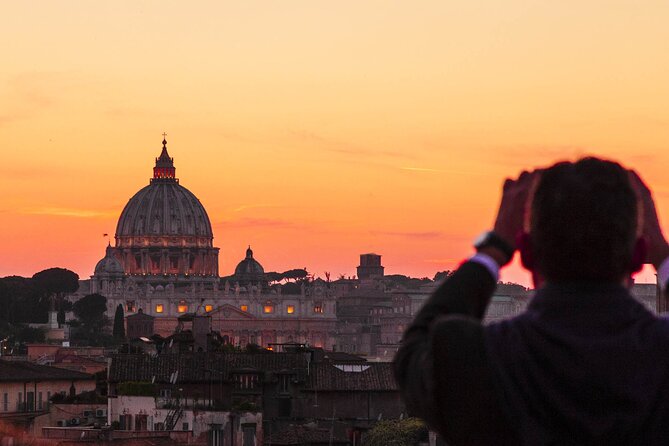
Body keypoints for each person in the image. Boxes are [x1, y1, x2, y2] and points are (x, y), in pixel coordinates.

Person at [393, 157, 669, 445]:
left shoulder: (478, 361)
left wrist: (494, 248)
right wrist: (663, 254)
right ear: (639, 255)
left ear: (525, 253)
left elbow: (414, 351)